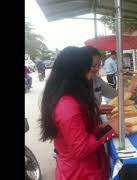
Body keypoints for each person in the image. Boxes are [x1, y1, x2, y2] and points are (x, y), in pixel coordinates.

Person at [39, 46, 130, 180]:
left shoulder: (71, 96)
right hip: (81, 173)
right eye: (88, 70)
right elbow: (81, 148)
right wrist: (110, 129)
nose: (90, 76)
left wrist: (102, 122)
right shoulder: (66, 106)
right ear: (73, 73)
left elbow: (83, 131)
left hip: (90, 169)